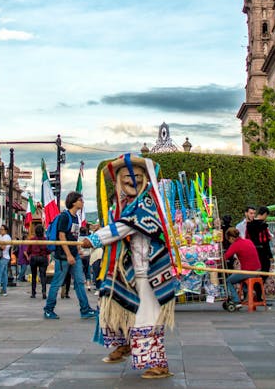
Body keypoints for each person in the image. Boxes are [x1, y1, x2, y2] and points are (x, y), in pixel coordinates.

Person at [81, 154, 178, 379]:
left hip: (150, 269)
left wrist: (94, 239)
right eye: (127, 177)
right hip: (134, 269)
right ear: (119, 181)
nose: (132, 181)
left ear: (145, 178)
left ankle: (159, 364)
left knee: (148, 317)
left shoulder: (146, 204)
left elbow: (123, 228)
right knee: (122, 304)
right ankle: (125, 344)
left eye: (137, 176)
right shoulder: (125, 206)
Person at [43, 192, 96, 320]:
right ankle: (48, 309)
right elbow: (62, 237)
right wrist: (68, 255)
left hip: (74, 255)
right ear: (74, 202)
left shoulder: (76, 218)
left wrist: (77, 249)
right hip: (63, 256)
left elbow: (74, 236)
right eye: (80, 200)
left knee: (79, 281)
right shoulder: (64, 217)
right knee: (57, 283)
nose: (82, 202)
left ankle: (85, 309)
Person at [221, 227, 260, 308]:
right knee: (240, 278)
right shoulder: (248, 241)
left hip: (248, 271)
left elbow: (225, 257)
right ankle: (249, 293)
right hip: (257, 269)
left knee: (228, 281)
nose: (229, 241)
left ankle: (236, 300)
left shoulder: (235, 244)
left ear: (231, 238)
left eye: (229, 240)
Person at [27, 223, 49, 298]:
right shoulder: (45, 240)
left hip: (34, 257)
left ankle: (33, 293)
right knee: (43, 275)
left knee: (34, 276)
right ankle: (44, 291)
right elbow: (48, 250)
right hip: (43, 258)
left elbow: (28, 250)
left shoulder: (32, 240)